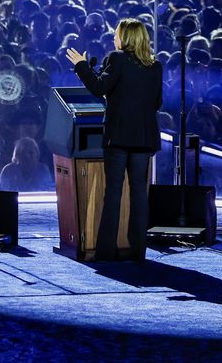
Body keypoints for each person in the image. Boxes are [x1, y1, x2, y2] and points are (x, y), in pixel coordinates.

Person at [66, 18, 163, 261]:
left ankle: (106, 251)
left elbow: (99, 88)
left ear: (126, 37)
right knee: (140, 194)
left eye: (116, 34)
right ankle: (138, 250)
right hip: (144, 138)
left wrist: (81, 66)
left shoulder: (117, 59)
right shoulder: (155, 66)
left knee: (114, 193)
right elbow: (157, 102)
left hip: (119, 137)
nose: (113, 38)